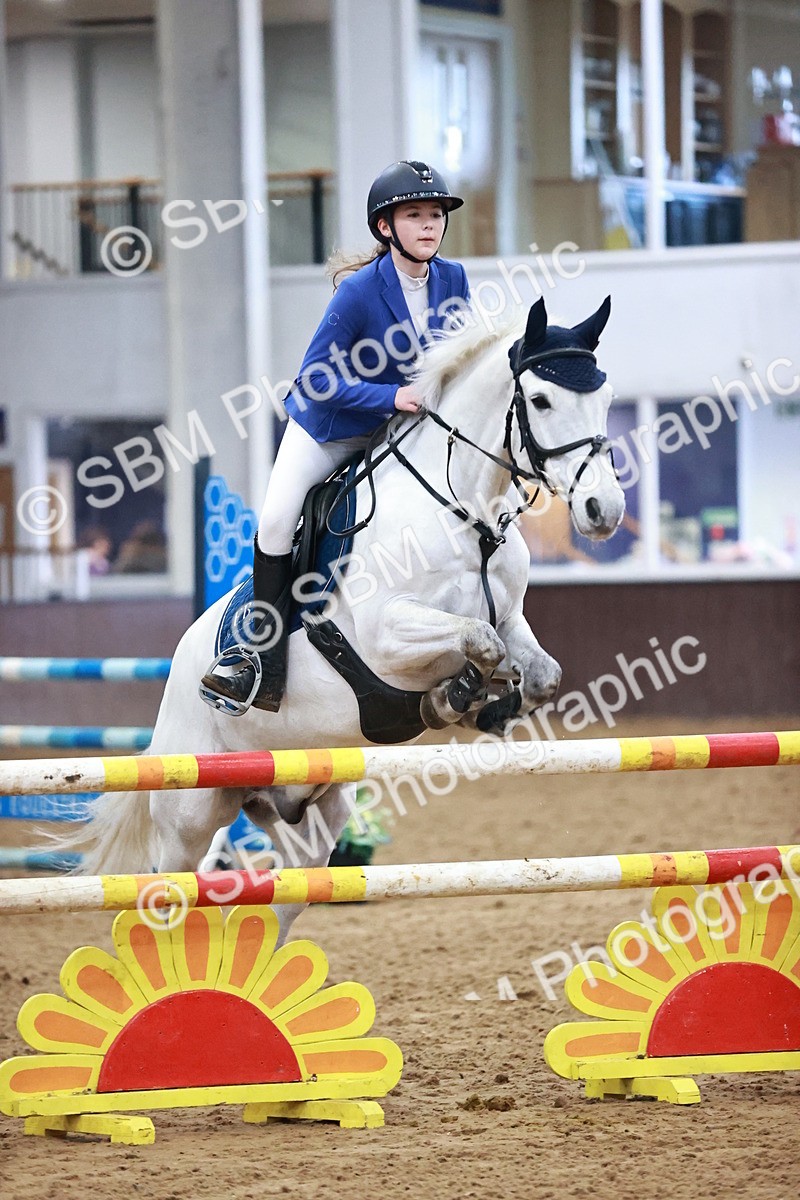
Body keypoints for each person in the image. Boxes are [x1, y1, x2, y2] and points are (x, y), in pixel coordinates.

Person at [201, 160, 470, 715]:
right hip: (331, 429)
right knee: (277, 519)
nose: (429, 226)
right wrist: (389, 397)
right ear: (386, 228)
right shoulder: (359, 294)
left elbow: (459, 357)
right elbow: (314, 379)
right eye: (415, 215)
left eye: (436, 215)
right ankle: (259, 658)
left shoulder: (454, 279)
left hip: (401, 432)